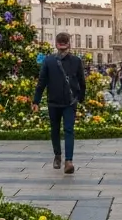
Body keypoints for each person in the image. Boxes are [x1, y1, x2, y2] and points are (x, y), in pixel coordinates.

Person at [34, 33, 85, 174]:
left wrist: (80, 98)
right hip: (54, 102)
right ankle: (58, 155)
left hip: (69, 102)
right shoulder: (49, 61)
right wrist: (36, 100)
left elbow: (81, 81)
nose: (62, 45)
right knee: (56, 130)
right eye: (61, 42)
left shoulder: (75, 61)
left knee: (68, 130)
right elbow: (42, 82)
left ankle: (68, 161)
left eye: (64, 42)